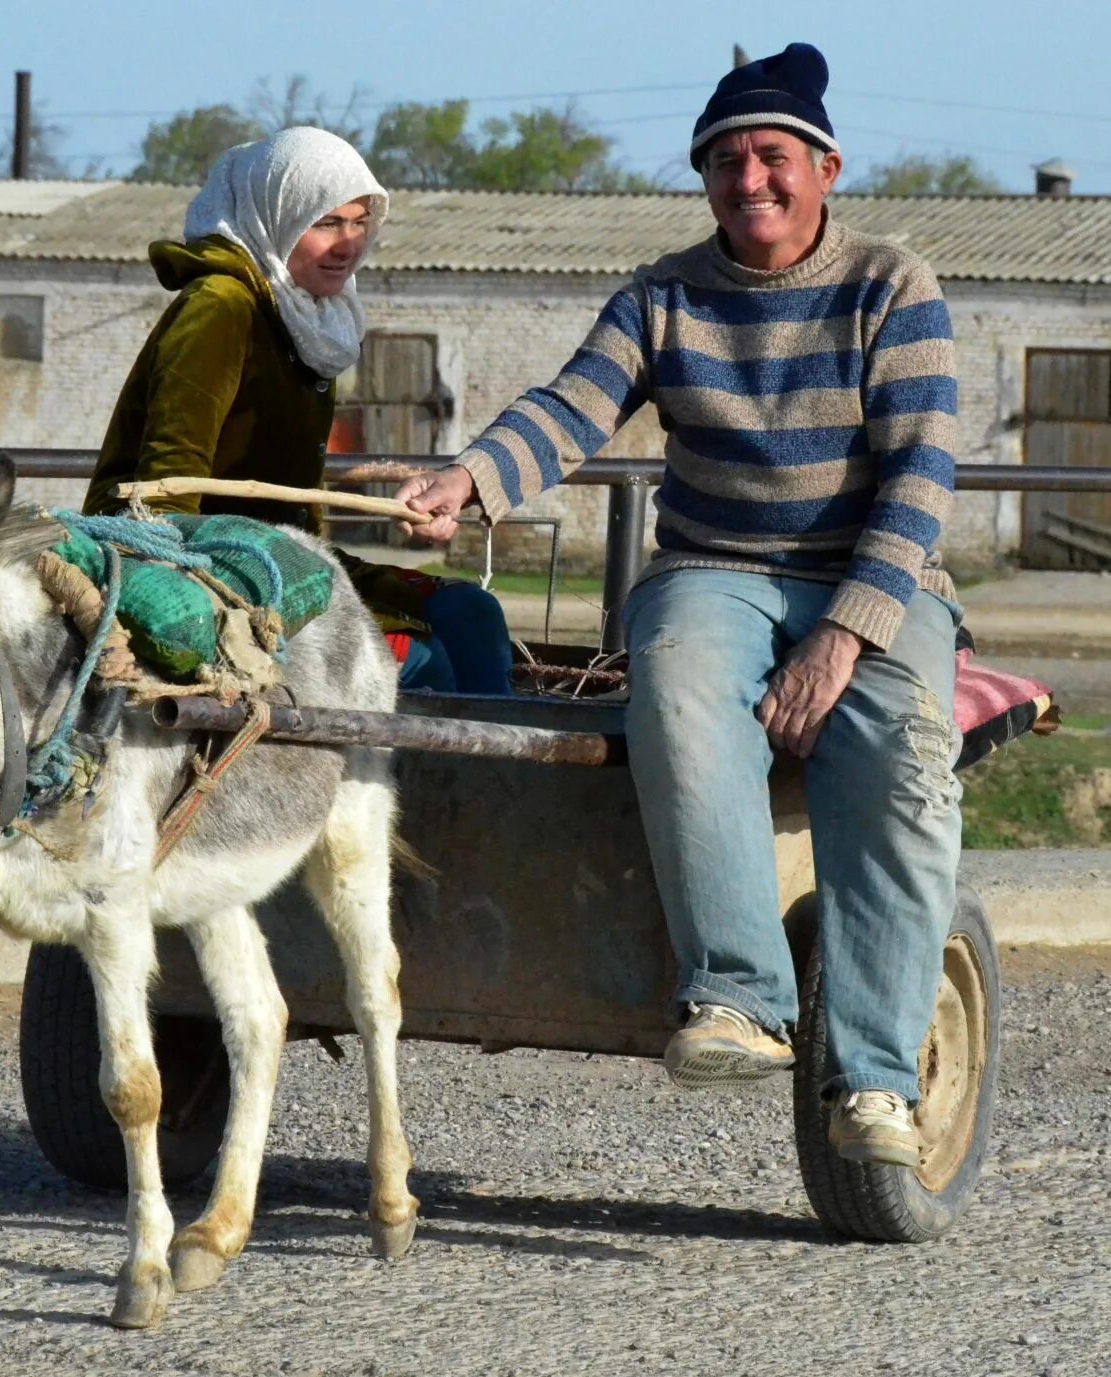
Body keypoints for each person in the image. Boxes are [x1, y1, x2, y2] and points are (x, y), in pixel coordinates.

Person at [398, 43, 960, 1166]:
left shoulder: (893, 285)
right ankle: (740, 1000)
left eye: (772, 157)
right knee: (678, 694)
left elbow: (922, 480)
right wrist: (471, 480)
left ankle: (876, 1083)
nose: (750, 180)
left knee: (896, 757)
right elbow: (574, 404)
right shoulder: (664, 294)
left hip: (874, 574)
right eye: (725, 163)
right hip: (714, 566)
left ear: (827, 167)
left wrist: (844, 640)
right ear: (703, 181)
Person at [84, 126, 513, 695]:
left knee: (473, 614)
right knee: (422, 663)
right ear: (276, 217)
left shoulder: (312, 314)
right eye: (327, 223)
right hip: (204, 552)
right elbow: (167, 484)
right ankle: (432, 779)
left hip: (286, 551)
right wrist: (174, 586)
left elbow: (299, 512)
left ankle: (495, 776)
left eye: (360, 222)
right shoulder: (221, 307)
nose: (349, 244)